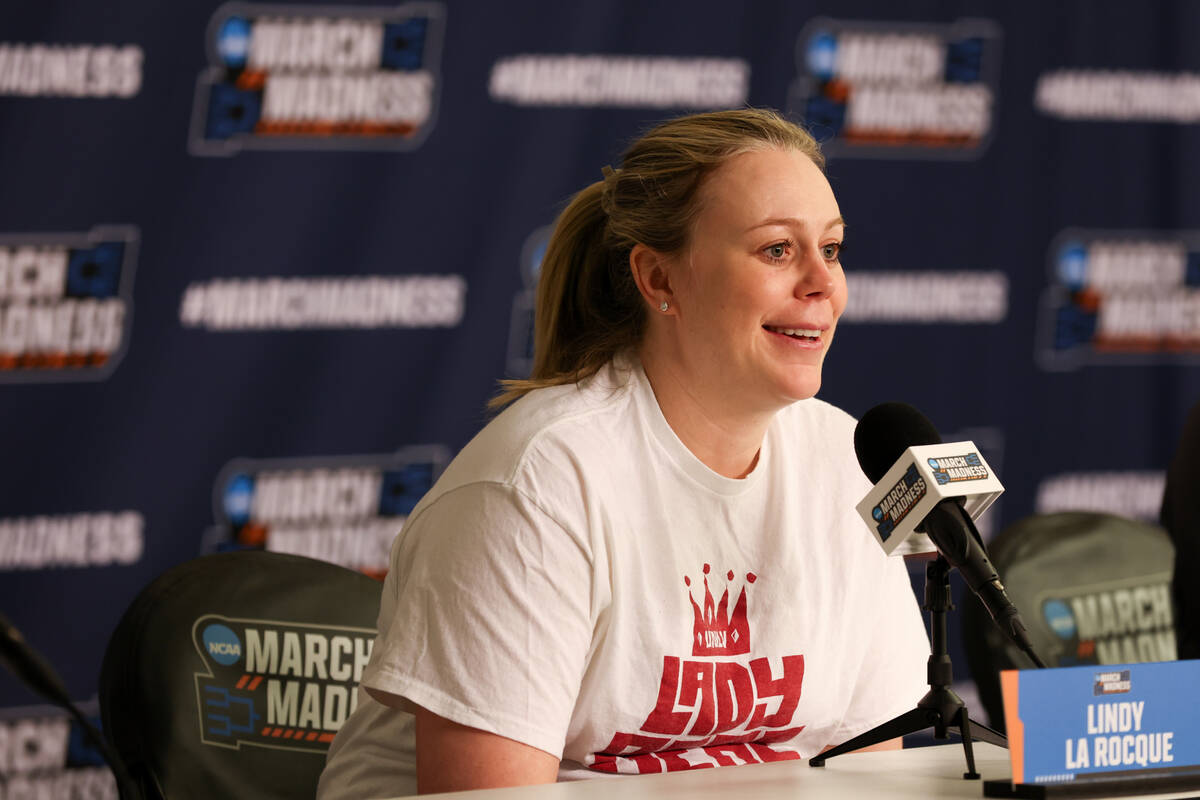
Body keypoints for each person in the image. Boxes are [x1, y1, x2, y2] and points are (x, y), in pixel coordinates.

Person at [317, 107, 929, 798]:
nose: (823, 283)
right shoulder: (539, 484)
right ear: (659, 280)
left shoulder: (847, 464)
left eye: (834, 249)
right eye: (777, 250)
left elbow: (872, 775)